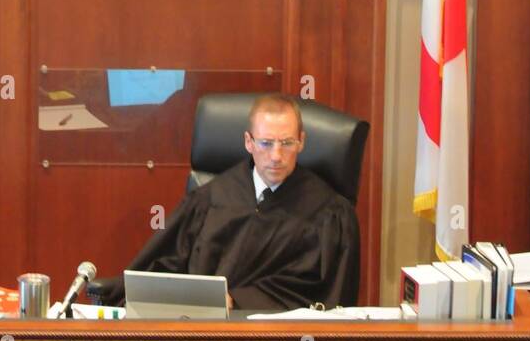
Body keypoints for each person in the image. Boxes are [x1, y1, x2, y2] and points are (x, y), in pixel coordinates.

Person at [100, 94, 360, 312]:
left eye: (287, 143)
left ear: (301, 142)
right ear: (248, 142)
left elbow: (324, 293)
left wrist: (237, 301)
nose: (276, 156)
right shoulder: (209, 199)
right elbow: (164, 265)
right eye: (266, 143)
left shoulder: (328, 212)